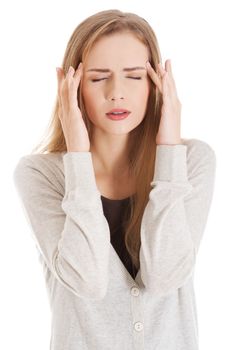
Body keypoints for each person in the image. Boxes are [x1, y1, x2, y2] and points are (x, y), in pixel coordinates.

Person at [13, 9, 216, 350]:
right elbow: (87, 281)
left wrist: (168, 147)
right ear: (72, 87)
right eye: (97, 78)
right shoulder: (39, 175)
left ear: (156, 84)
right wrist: (78, 154)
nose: (116, 92)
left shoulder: (191, 161)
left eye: (134, 77)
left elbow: (165, 276)